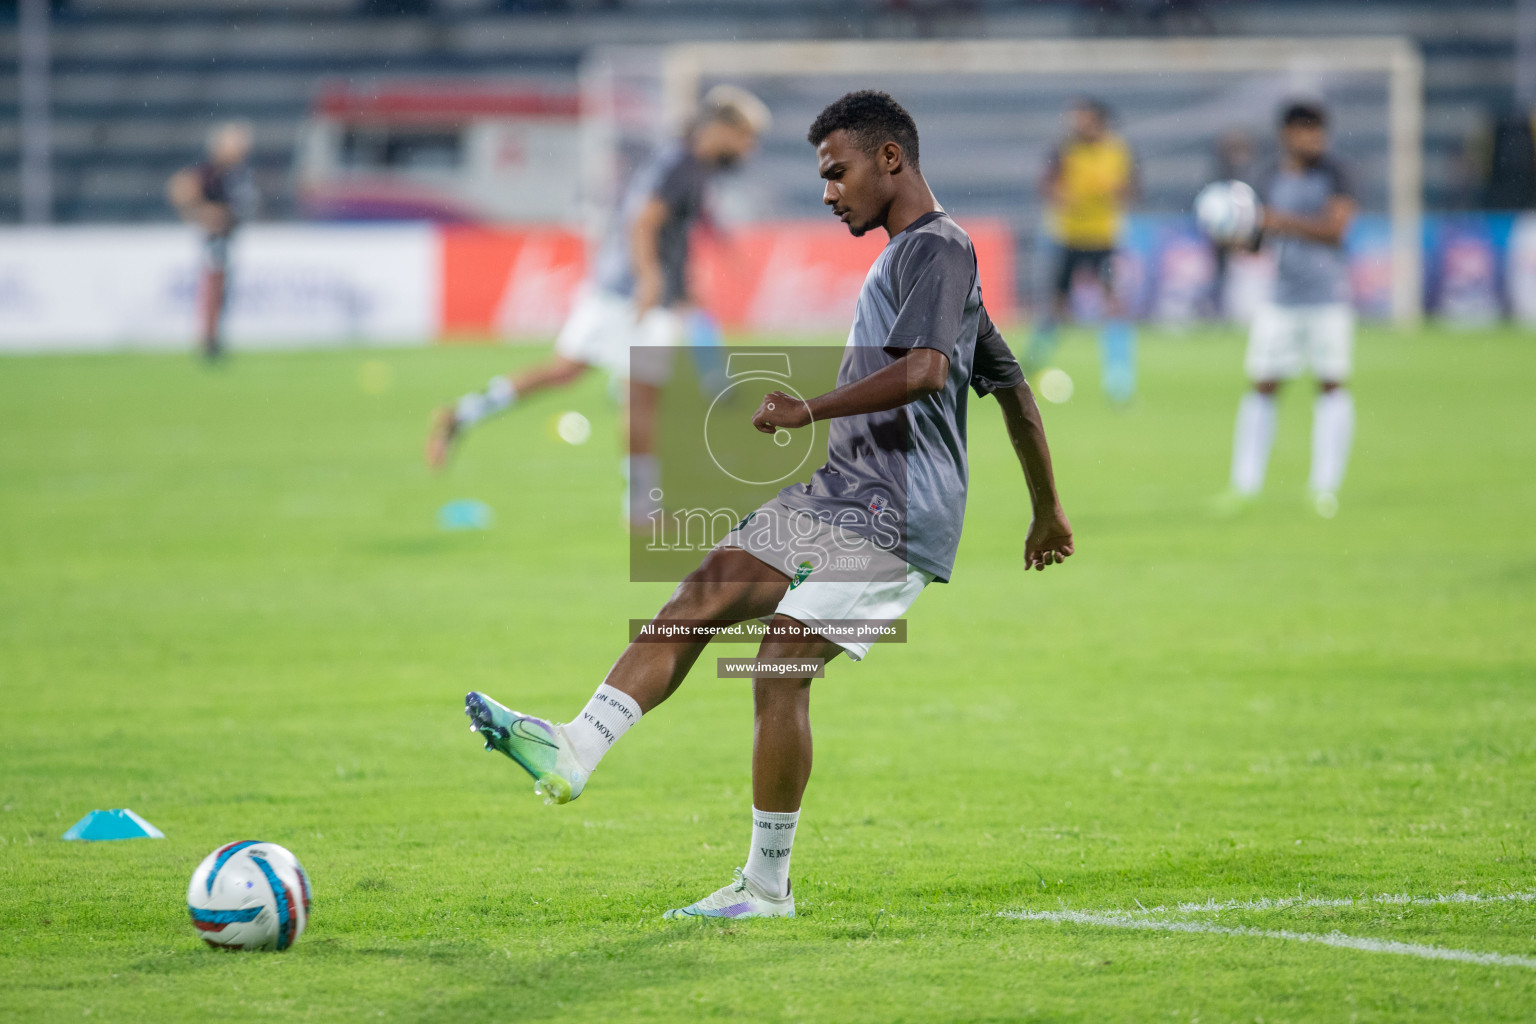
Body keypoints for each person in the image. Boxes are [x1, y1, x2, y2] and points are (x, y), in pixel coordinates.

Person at [461, 91, 1074, 920]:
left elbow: (931, 371)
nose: (828, 192)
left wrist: (808, 410)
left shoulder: (942, 250)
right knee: (702, 592)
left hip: (898, 510)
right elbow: (1012, 388)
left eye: (837, 171)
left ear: (889, 159)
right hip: (843, 491)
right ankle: (574, 746)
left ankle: (764, 888)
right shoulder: (918, 260)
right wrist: (1048, 511)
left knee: (781, 663)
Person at [426, 85, 770, 526]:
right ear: (719, 129)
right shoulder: (679, 166)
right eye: (745, 137)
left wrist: (678, 284)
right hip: (631, 296)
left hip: (629, 292)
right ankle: (640, 508)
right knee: (638, 396)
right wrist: (650, 277)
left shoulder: (688, 166)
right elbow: (643, 220)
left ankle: (464, 413)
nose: (748, 148)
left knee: (570, 373)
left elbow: (667, 230)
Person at [1221, 101, 1357, 519]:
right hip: (1281, 298)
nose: (1313, 139)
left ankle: (1325, 487)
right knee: (1263, 384)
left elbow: (1336, 231)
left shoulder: (1336, 173)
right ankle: (1244, 485)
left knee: (1331, 384)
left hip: (1327, 299)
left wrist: (1279, 219)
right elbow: (1257, 240)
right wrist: (1234, 233)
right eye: (1305, 131)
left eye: (1318, 131)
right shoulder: (1267, 176)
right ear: (1286, 134)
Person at [1023, 98, 1138, 403]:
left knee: (1113, 304)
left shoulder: (1118, 151)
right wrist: (1061, 195)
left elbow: (1132, 190)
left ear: (1099, 121)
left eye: (1083, 119)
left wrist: (1115, 192)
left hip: (1104, 239)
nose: (1077, 124)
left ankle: (1119, 378)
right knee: (1059, 306)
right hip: (1068, 237)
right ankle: (1030, 363)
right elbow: (1046, 186)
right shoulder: (1064, 150)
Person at [166, 121, 257, 361]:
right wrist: (204, 214)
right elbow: (181, 188)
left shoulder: (236, 171)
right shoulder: (210, 170)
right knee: (214, 286)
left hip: (227, 236)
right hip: (215, 237)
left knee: (220, 288)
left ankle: (212, 337)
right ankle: (208, 339)